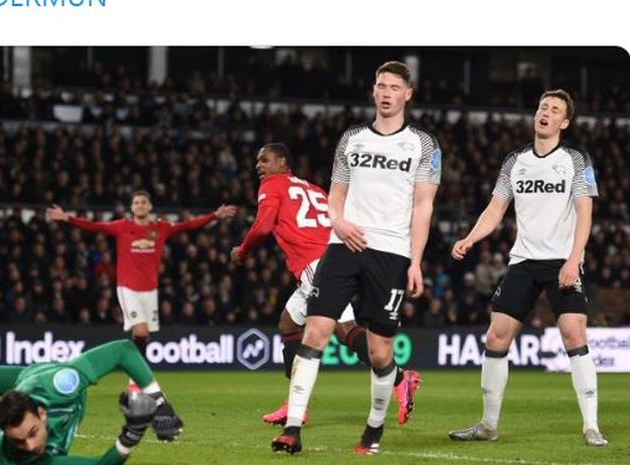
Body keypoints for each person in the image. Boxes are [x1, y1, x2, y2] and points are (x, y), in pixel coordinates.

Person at [270, 61, 442, 455]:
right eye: (380, 85)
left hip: (392, 253)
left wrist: (416, 261)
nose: (385, 92)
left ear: (407, 94)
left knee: (381, 353)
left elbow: (423, 206)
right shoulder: (351, 139)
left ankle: (373, 429)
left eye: (394, 87)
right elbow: (336, 194)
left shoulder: (424, 144)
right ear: (373, 91)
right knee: (315, 332)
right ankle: (293, 429)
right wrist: (339, 223)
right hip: (343, 246)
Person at [448, 89, 607, 447]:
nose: (545, 113)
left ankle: (591, 426)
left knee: (574, 334)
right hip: (524, 260)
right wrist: (470, 238)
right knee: (496, 336)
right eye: (542, 107)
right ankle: (488, 425)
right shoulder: (515, 161)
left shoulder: (575, 159)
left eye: (554, 110)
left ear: (565, 122)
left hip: (561, 261)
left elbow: (586, 213)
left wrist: (573, 259)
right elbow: (495, 210)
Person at [231, 143, 421, 427]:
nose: (259, 166)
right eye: (258, 162)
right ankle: (295, 404)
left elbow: (262, 226)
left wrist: (242, 251)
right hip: (330, 258)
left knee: (345, 331)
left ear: (283, 162)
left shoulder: (273, 184)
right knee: (288, 323)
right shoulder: (315, 189)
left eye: (265, 160)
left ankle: (398, 376)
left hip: (316, 266)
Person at [47, 192, 236, 395]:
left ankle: (134, 376)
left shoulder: (160, 228)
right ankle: (136, 375)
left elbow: (187, 225)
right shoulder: (122, 227)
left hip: (150, 291)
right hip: (127, 288)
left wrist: (214, 216)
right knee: (140, 331)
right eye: (136, 202)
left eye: (143, 202)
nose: (139, 205)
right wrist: (67, 218)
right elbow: (96, 226)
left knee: (143, 337)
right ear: (132, 207)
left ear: (150, 206)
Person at [0, 339, 183, 464]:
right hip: (13, 430)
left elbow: (125, 350)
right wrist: (132, 434)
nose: (30, 445)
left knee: (26, 378)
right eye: (20, 440)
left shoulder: (62, 384)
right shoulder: (33, 458)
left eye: (31, 433)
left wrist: (161, 404)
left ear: (42, 414)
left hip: (35, 379)